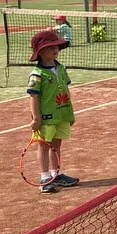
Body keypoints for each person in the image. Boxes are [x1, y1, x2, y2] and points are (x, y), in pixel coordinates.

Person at [27, 31, 80, 193]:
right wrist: (36, 118)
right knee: (44, 146)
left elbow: (66, 90)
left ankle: (55, 174)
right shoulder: (37, 74)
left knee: (57, 144)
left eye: (56, 46)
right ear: (40, 52)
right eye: (50, 47)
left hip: (61, 114)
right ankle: (44, 178)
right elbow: (33, 96)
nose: (55, 49)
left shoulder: (61, 68)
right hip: (46, 117)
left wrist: (70, 112)